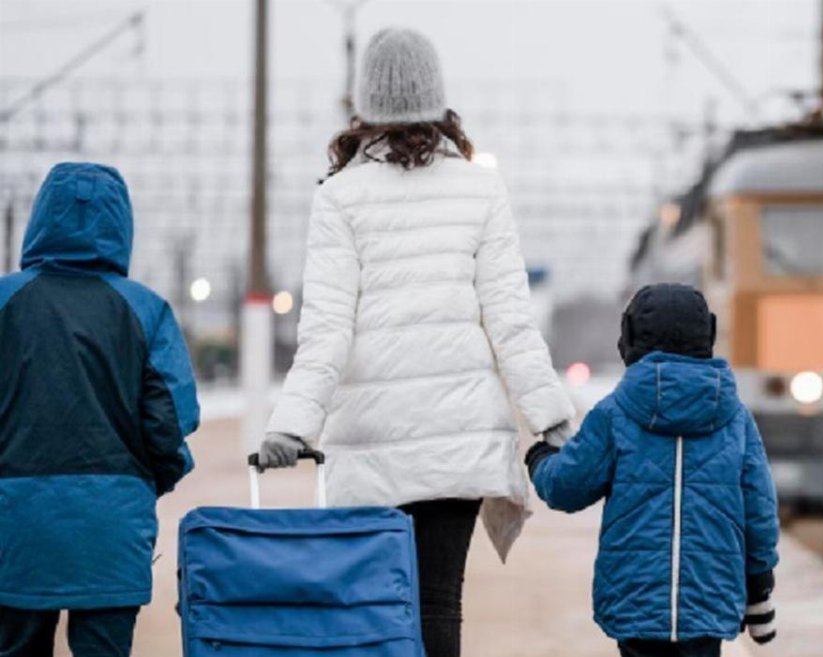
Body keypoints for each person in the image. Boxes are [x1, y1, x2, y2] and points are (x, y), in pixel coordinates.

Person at [256, 27, 574, 657]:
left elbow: (325, 332)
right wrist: (552, 419)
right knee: (438, 605)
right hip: (458, 444)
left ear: (365, 104)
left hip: (371, 445)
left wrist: (291, 426)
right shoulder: (481, 189)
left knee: (378, 608)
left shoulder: (339, 197)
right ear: (437, 100)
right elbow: (510, 321)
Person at [0, 163, 199, 657]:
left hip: (14, 527)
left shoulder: (4, 302)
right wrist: (154, 480)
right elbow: (170, 419)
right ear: (121, 224)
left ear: (40, 217)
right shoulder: (145, 309)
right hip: (111, 526)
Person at [525, 283, 780, 657]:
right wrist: (759, 591)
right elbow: (759, 512)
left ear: (628, 339)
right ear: (707, 335)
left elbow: (566, 487)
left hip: (634, 597)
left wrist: (539, 458)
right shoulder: (735, 418)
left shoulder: (615, 413)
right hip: (709, 598)